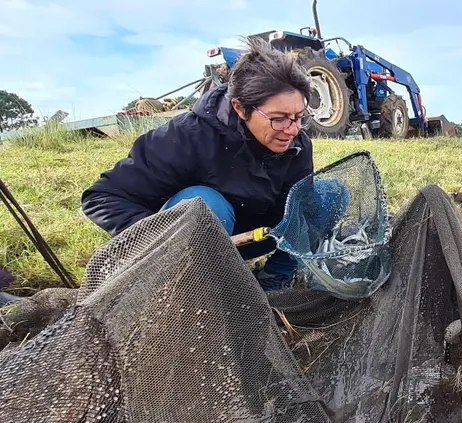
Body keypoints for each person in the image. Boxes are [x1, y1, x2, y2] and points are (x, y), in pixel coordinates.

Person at [81, 37, 315, 291]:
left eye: (299, 117)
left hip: (257, 234)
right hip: (194, 241)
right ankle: (203, 286)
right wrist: (160, 239)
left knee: (326, 196)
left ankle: (274, 278)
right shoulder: (186, 137)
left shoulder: (297, 142)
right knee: (202, 202)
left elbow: (301, 208)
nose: (292, 130)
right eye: (278, 119)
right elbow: (101, 198)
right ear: (240, 108)